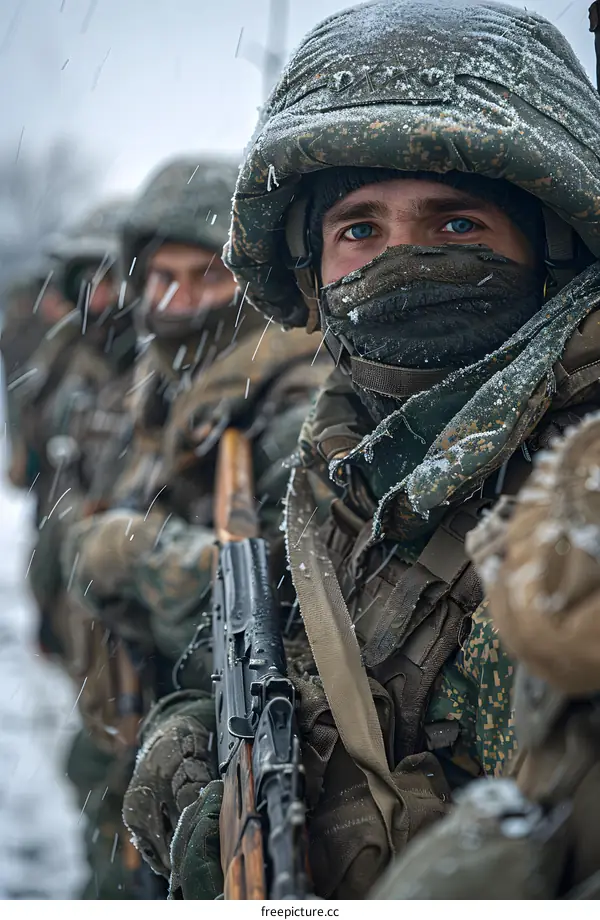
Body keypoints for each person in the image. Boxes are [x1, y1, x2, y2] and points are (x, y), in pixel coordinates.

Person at [126, 0, 600, 900]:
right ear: (313, 267)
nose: (401, 262)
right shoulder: (344, 458)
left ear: (555, 245)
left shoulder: (577, 492)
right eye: (360, 230)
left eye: (458, 224)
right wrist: (196, 740)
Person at [61, 156, 331, 884]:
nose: (179, 302)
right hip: (139, 747)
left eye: (207, 278)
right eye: (161, 279)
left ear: (256, 285)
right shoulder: (164, 396)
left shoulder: (294, 410)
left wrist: (137, 555)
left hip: (227, 780)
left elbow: (291, 631)